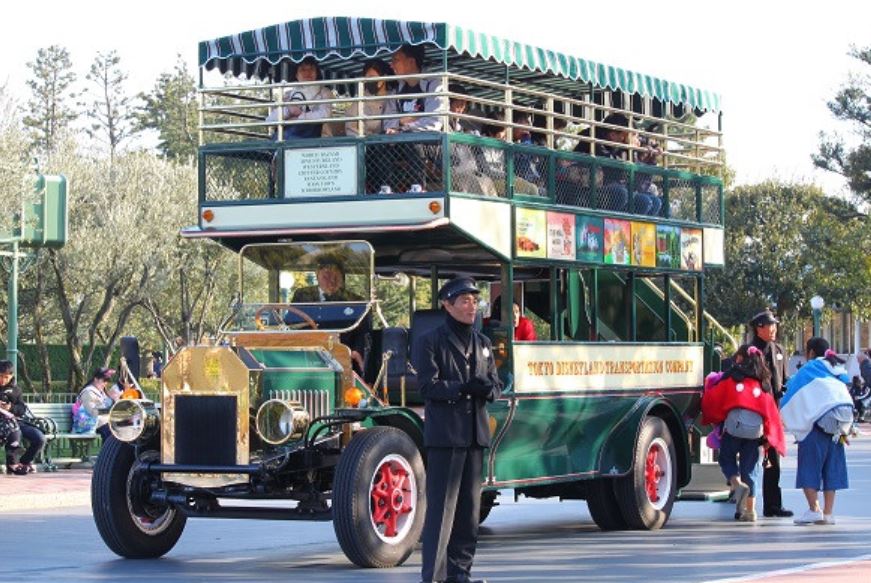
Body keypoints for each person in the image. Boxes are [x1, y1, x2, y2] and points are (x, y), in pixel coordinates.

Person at [413, 277, 502, 583]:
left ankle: (460, 575)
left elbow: (496, 386)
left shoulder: (483, 343)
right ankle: (434, 577)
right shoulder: (429, 341)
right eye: (464, 301)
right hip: (446, 437)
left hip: (475, 436)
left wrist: (488, 389)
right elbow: (427, 385)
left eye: (474, 301)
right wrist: (463, 388)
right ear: (447, 305)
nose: (471, 306)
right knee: (441, 512)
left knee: (468, 513)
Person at [702, 345, 786, 522]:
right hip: (755, 434)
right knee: (751, 470)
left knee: (726, 458)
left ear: (740, 358)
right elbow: (770, 412)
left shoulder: (732, 378)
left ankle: (736, 484)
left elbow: (714, 399)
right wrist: (769, 438)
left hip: (733, 430)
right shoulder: (763, 383)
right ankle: (750, 511)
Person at [780, 337, 854, 525]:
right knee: (832, 468)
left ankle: (814, 509)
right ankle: (828, 513)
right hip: (839, 426)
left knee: (809, 467)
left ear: (811, 352)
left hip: (816, 424)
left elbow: (791, 395)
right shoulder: (838, 370)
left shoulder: (808, 369)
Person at [749, 309, 793, 518]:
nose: (774, 328)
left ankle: (773, 505)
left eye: (775, 324)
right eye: (769, 325)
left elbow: (784, 381)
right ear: (759, 328)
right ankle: (744, 505)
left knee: (772, 460)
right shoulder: (749, 352)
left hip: (772, 412)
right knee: (748, 459)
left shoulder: (779, 349)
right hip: (753, 411)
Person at [292, 256, 368, 373]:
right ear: (317, 275)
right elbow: (292, 324)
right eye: (326, 276)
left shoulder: (355, 300)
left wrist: (356, 351)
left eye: (335, 277)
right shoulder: (302, 296)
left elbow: (363, 333)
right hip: (309, 353)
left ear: (342, 279)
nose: (331, 281)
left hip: (344, 356)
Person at [383, 44, 447, 134]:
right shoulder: (396, 91)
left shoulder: (434, 85)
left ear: (411, 62)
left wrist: (403, 128)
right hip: (401, 142)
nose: (391, 65)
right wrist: (402, 121)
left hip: (427, 143)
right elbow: (387, 123)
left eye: (395, 60)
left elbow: (434, 122)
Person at [266, 56, 332, 140]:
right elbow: (269, 120)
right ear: (296, 75)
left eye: (311, 69)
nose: (307, 73)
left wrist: (299, 116)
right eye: (303, 70)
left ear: (317, 73)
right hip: (287, 138)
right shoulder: (288, 95)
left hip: (317, 139)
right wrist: (289, 110)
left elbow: (325, 114)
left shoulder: (324, 92)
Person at [0, 360, 46, 474]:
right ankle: (12, 463)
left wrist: (10, 408)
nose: (3, 380)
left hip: (17, 421)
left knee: (39, 438)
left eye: (6, 377)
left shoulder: (16, 390)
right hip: (3, 424)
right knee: (14, 432)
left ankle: (24, 462)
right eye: (0, 376)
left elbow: (22, 409)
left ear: (11, 376)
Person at [344, 59, 394, 137]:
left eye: (372, 77)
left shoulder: (394, 96)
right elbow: (350, 126)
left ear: (384, 78)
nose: (369, 81)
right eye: (366, 78)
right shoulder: (360, 99)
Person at [72, 367, 117, 440]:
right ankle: (108, 451)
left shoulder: (101, 392)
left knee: (120, 428)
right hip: (86, 424)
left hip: (99, 423)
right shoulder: (88, 392)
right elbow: (92, 412)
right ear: (96, 379)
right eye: (104, 380)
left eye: (107, 381)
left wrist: (113, 400)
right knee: (111, 431)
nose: (105, 383)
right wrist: (109, 410)